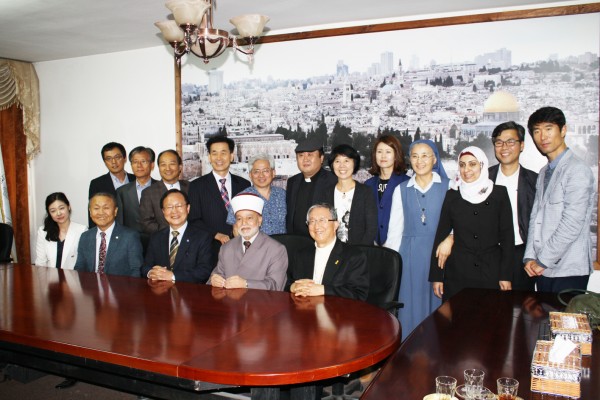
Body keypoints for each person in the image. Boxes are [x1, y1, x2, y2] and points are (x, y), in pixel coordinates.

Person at [524, 107, 595, 292]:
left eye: (549, 129)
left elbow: (572, 223)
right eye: (537, 131)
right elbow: (536, 217)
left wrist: (542, 260)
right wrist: (530, 256)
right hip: (542, 268)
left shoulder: (577, 170)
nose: (543, 137)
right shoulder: (543, 172)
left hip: (569, 269)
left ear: (563, 130)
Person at [430, 146, 514, 301]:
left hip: (491, 272)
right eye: (462, 165)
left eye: (472, 164)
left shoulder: (499, 194)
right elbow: (441, 234)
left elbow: (508, 238)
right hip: (458, 273)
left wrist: (506, 275)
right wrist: (437, 276)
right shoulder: (452, 195)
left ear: (482, 165)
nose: (466, 169)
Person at [384, 140, 449, 339]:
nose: (420, 161)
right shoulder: (401, 189)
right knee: (411, 307)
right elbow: (395, 230)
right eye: (415, 156)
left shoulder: (449, 186)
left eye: (425, 155)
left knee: (439, 307)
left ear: (435, 159)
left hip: (441, 255)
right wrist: (391, 265)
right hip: (410, 256)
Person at [489, 121, 538, 291]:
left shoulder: (535, 181)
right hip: (489, 255)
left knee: (521, 305)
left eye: (511, 142)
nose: (504, 147)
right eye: (499, 142)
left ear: (521, 145)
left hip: (522, 256)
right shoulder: (484, 178)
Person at [286, 203, 369, 301]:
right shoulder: (301, 255)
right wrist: (292, 287)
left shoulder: (354, 256)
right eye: (312, 221)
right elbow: (286, 284)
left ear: (336, 225)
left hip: (337, 309)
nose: (317, 226)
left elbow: (359, 294)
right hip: (305, 308)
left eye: (322, 220)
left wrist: (323, 290)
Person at [209, 193, 288, 291]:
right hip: (229, 299)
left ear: (259, 220)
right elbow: (216, 275)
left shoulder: (276, 249)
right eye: (239, 219)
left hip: (260, 300)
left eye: (249, 218)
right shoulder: (226, 247)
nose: (244, 223)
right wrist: (214, 280)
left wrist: (246, 284)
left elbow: (276, 286)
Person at [188, 136, 250, 244]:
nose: (219, 158)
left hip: (240, 244)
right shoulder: (196, 186)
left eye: (223, 153)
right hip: (210, 246)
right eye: (214, 153)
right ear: (209, 157)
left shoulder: (244, 184)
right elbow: (194, 220)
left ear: (231, 156)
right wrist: (215, 234)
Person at [143, 189, 213, 284]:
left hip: (190, 291)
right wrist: (151, 273)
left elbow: (204, 271)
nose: (174, 211)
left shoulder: (202, 237)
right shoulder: (156, 237)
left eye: (179, 206)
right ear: (163, 211)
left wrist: (172, 276)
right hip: (161, 290)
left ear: (188, 208)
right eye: (169, 207)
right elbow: (145, 267)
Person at [75, 192, 143, 277]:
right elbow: (80, 267)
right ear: (90, 212)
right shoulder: (85, 236)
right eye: (96, 208)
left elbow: (136, 270)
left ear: (115, 211)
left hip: (120, 285)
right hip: (91, 284)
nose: (101, 212)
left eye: (106, 208)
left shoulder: (130, 236)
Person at [325, 144, 377, 245]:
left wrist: (359, 251)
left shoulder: (366, 192)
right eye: (337, 161)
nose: (342, 165)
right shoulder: (326, 192)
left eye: (346, 161)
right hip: (333, 249)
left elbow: (371, 228)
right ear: (332, 165)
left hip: (360, 250)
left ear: (354, 163)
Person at [286, 137, 337, 236]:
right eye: (301, 156)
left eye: (310, 155)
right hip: (295, 240)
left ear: (321, 158)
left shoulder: (333, 181)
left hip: (321, 240)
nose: (305, 159)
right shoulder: (292, 182)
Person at [364, 135, 409, 246]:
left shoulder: (406, 183)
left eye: (388, 152)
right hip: (374, 246)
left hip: (399, 245)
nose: (383, 156)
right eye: (379, 152)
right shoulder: (368, 184)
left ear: (396, 155)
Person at [226, 154, 286, 235]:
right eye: (256, 172)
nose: (261, 175)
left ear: (273, 173)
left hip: (283, 242)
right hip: (255, 243)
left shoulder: (283, 195)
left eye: (265, 171)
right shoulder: (241, 198)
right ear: (250, 175)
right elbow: (236, 230)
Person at [116, 146, 157, 251]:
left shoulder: (161, 188)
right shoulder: (122, 192)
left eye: (143, 161)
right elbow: (120, 223)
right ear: (131, 165)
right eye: (135, 162)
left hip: (157, 242)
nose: (139, 165)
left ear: (152, 165)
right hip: (131, 244)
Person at [140, 149, 190, 235]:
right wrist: (172, 231)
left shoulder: (191, 187)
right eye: (163, 164)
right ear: (159, 167)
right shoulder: (148, 193)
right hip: (162, 239)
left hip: (192, 238)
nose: (167, 168)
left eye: (172, 164)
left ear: (180, 167)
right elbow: (146, 223)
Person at [35, 192, 87, 269]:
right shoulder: (43, 232)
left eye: (61, 208)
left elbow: (84, 263)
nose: (58, 213)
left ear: (68, 207)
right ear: (49, 213)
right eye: (53, 211)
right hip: (50, 276)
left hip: (73, 276)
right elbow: (40, 263)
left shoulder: (82, 230)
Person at [88, 142, 135, 227]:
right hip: (110, 231)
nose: (113, 162)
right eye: (108, 159)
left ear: (124, 158)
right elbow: (93, 213)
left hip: (136, 231)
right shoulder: (97, 184)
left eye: (117, 157)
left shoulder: (136, 179)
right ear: (104, 162)